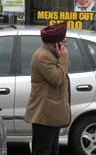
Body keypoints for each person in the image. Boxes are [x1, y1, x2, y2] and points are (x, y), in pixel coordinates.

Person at [24, 22, 71, 155]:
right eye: (64, 41)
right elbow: (56, 78)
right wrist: (63, 58)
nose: (66, 43)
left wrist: (61, 57)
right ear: (55, 44)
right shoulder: (43, 56)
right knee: (43, 151)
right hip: (44, 114)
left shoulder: (53, 54)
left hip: (52, 113)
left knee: (53, 151)